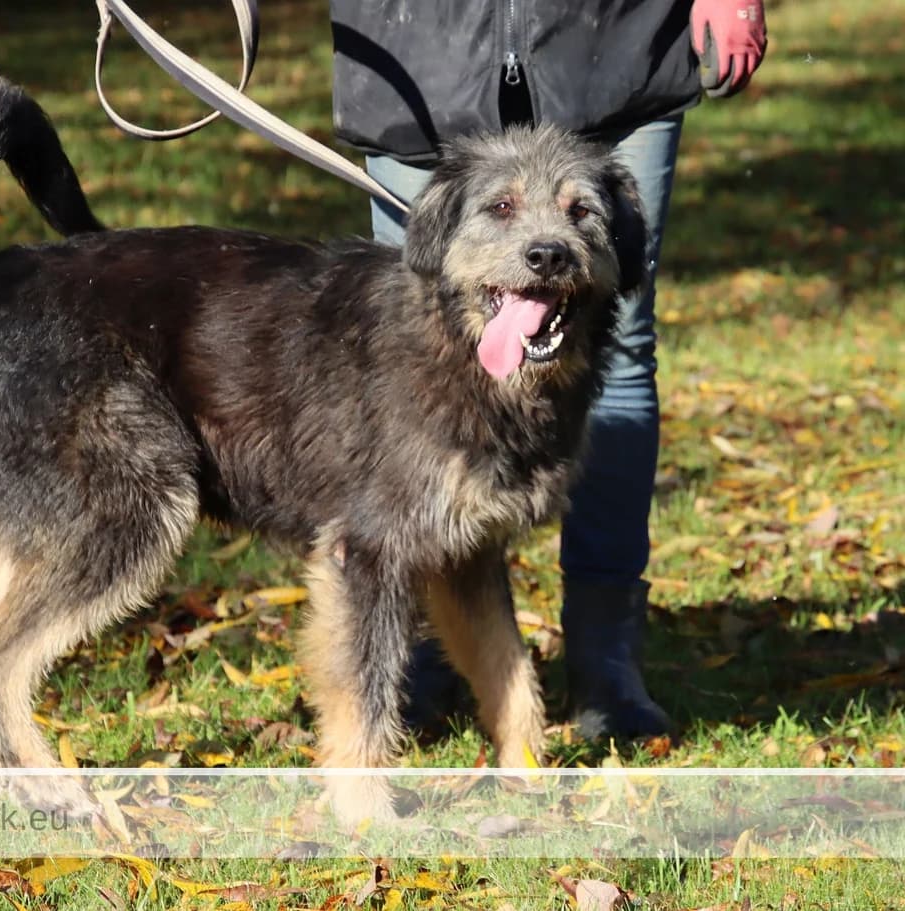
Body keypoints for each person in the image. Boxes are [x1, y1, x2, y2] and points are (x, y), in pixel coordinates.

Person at [329, 0, 767, 739]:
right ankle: (423, 660)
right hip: (418, 45)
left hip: (617, 40)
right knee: (411, 358)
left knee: (614, 348)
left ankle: (606, 660)